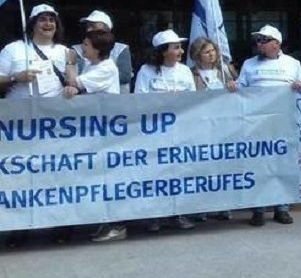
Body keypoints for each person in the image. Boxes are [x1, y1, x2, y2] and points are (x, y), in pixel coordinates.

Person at [0, 4, 78, 247]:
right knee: (22, 177)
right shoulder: (14, 49)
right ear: (32, 24)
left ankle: (62, 226)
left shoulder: (66, 52)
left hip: (56, 124)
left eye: (52, 19)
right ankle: (20, 228)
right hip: (20, 127)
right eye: (42, 19)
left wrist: (71, 86)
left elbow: (74, 82)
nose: (48, 24)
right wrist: (16, 77)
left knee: (58, 175)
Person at [237, 25, 301, 226]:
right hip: (257, 124)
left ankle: (282, 208)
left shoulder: (292, 64)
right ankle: (258, 209)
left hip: (283, 124)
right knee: (258, 166)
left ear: (276, 44)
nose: (259, 44)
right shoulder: (249, 64)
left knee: (282, 165)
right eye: (258, 40)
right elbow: (240, 88)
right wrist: (233, 86)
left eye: (264, 40)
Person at [133, 29, 197, 234]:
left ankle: (177, 213)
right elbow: (139, 98)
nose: (181, 51)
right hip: (155, 132)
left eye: (180, 47)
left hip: (179, 132)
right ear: (163, 51)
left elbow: (193, 100)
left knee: (177, 174)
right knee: (155, 174)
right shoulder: (146, 71)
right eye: (176, 48)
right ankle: (154, 216)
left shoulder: (185, 71)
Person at [64, 29, 123, 242]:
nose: (83, 48)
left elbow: (74, 82)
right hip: (96, 132)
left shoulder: (106, 68)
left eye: (87, 45)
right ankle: (105, 221)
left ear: (97, 49)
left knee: (109, 178)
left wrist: (70, 62)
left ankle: (116, 224)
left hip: (107, 132)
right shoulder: (93, 65)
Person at [188, 36, 237, 222]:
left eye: (213, 51)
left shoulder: (225, 71)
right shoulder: (191, 74)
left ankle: (224, 206)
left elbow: (240, 93)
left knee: (222, 168)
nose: (211, 54)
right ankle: (201, 208)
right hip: (199, 127)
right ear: (197, 55)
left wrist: (233, 86)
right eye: (206, 52)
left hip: (223, 127)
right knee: (201, 169)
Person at [72, 10, 133, 92]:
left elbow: (125, 76)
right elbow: (76, 76)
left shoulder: (121, 49)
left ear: (106, 29)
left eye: (93, 26)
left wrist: (95, 79)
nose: (89, 29)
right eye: (88, 26)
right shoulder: (78, 49)